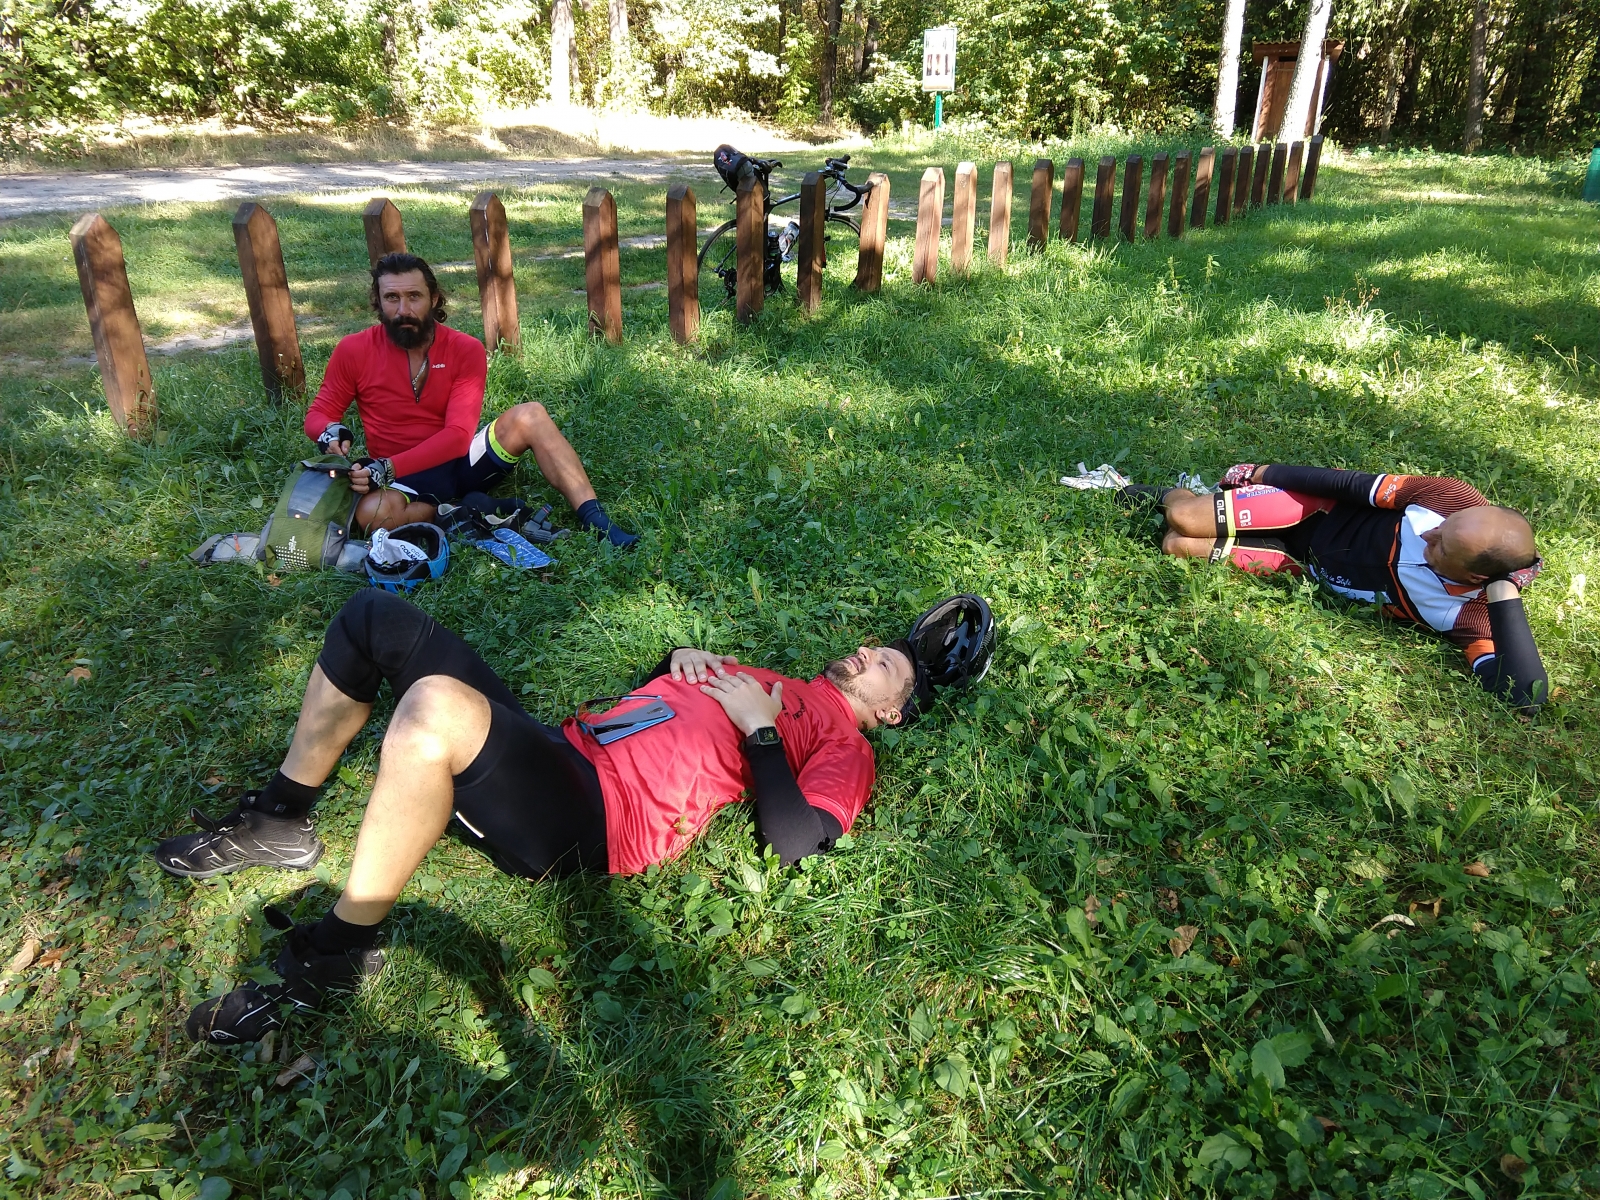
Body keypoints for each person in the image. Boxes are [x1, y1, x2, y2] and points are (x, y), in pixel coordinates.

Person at [154, 592, 995, 1044]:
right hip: (563, 750)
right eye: (874, 648)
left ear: (892, 711)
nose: (866, 654)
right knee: (375, 618)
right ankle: (280, 819)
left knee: (432, 710)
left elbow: (798, 841)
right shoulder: (785, 679)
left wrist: (760, 731)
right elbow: (664, 703)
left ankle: (336, 954)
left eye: (885, 666)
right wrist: (679, 659)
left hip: (593, 813)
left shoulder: (846, 747)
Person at [1131, 463, 1548, 708]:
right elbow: (1349, 484)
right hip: (1311, 511)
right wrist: (1263, 472)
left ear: (1476, 578)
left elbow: (1525, 694)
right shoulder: (1453, 498)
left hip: (1297, 565)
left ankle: (1189, 505)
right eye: (1444, 527)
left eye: (1442, 546)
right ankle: (1173, 495)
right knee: (1184, 520)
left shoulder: (1472, 616)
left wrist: (1504, 594)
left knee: (1177, 545)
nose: (1429, 534)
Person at [305, 251, 638, 547]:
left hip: (461, 463)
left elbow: (457, 436)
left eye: (414, 296)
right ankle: (462, 510)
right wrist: (329, 432)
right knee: (371, 515)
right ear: (378, 302)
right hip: (401, 480)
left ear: (434, 298)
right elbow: (319, 414)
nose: (403, 310)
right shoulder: (353, 350)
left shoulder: (465, 348)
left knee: (531, 415)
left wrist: (386, 468)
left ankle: (596, 520)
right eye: (392, 297)